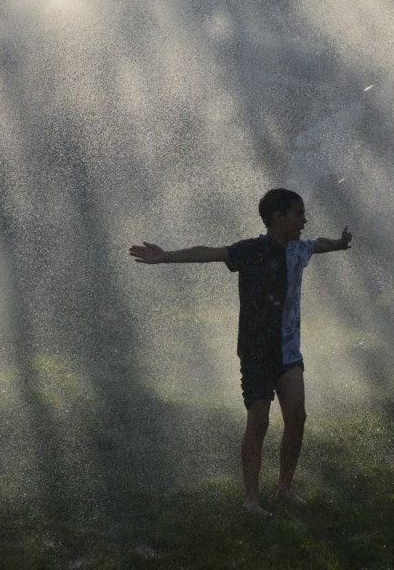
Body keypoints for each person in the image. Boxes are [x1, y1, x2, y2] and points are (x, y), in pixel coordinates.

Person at [129, 189, 353, 516]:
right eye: (298, 214)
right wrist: (165, 256)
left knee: (297, 417)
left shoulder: (300, 250)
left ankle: (285, 488)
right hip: (256, 349)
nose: (303, 221)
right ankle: (252, 500)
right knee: (259, 420)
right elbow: (209, 253)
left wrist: (340, 244)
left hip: (288, 351)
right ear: (278, 217)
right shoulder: (251, 251)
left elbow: (321, 243)